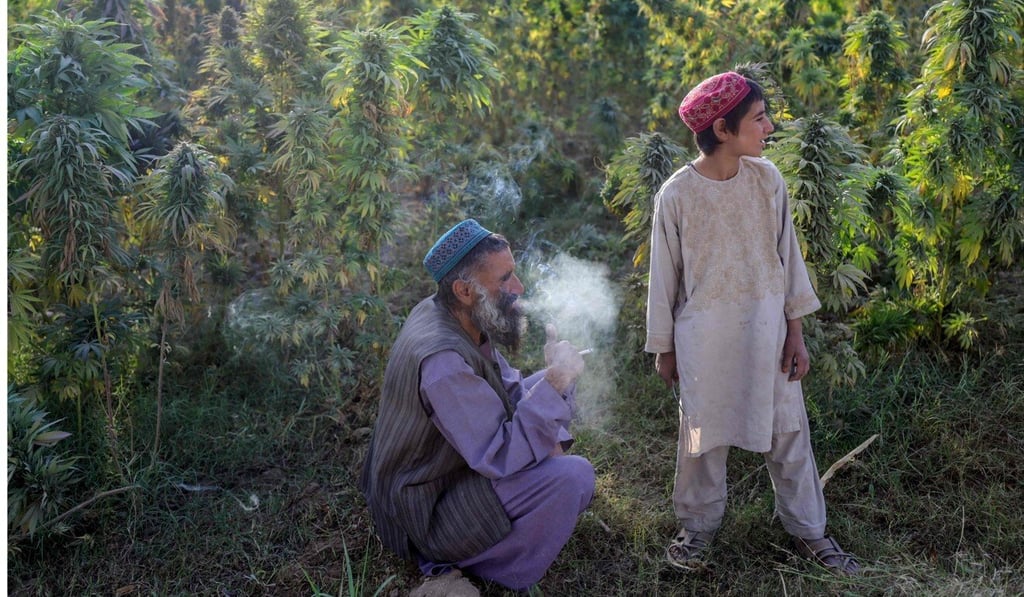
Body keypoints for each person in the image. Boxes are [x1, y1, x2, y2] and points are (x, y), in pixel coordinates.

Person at [645, 71, 860, 576]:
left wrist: (796, 332)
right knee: (702, 436)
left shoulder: (768, 180)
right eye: (759, 119)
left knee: (788, 431)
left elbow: (788, 258)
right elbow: (664, 279)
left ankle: (810, 533)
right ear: (722, 129)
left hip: (768, 332)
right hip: (703, 339)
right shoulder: (676, 196)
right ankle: (696, 528)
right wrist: (665, 348)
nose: (769, 128)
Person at [360, 219, 595, 595]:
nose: (517, 289)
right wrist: (555, 384)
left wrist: (551, 379)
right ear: (464, 290)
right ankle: (484, 564)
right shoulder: (444, 363)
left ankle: (533, 489)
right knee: (575, 477)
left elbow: (506, 387)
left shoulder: (453, 312)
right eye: (505, 279)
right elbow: (498, 454)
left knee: (541, 390)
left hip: (447, 470)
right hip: (425, 509)